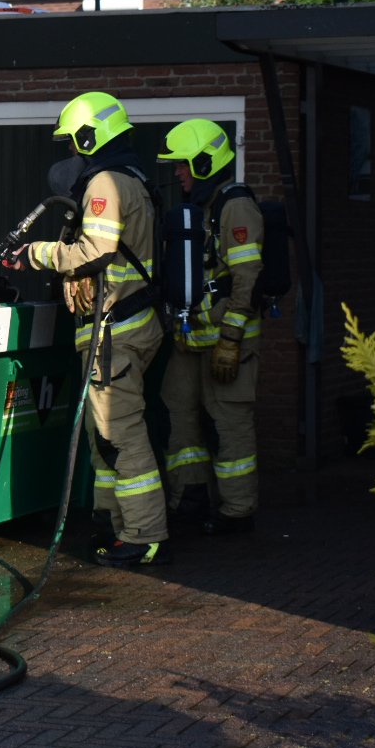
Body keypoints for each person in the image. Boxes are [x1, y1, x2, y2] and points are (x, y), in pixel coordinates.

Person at [8, 92, 168, 566]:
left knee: (121, 434)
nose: (72, 154)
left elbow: (93, 252)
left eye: (75, 144)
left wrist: (36, 253)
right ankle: (111, 523)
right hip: (126, 325)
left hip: (116, 330)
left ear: (89, 135)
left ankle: (143, 536)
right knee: (106, 434)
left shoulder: (104, 181)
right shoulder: (131, 177)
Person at [156, 119, 262, 535]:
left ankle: (238, 513)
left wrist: (232, 339)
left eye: (183, 165)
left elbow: (247, 277)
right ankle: (191, 498)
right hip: (190, 339)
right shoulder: (199, 206)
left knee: (229, 424)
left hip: (225, 341)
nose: (178, 172)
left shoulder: (234, 205)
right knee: (178, 411)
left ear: (204, 162)